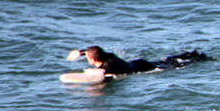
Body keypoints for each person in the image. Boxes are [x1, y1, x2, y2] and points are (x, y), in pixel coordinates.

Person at [65, 45, 210, 79]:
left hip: (145, 68)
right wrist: (80, 52)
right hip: (140, 63)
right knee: (169, 60)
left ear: (93, 59)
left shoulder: (109, 66)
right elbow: (96, 51)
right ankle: (190, 54)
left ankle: (199, 58)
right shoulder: (108, 56)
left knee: (177, 65)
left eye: (86, 56)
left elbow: (103, 76)